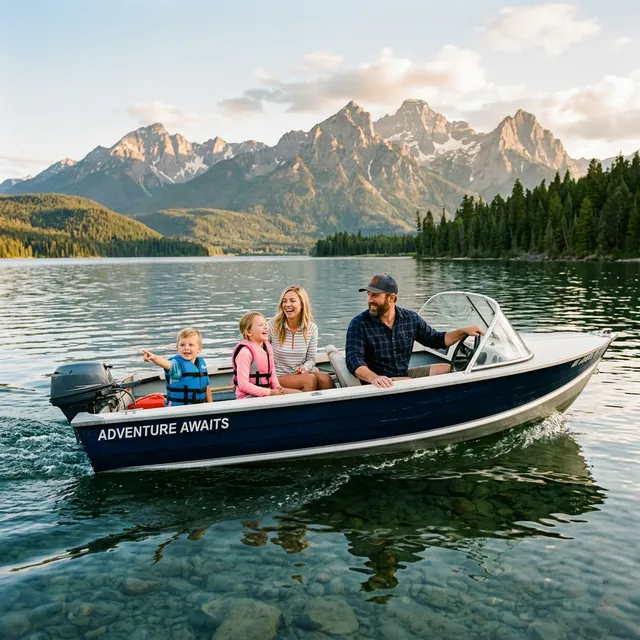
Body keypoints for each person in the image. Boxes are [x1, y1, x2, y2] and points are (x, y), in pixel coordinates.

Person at [346, 273, 484, 388]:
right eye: (369, 295)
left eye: (375, 295)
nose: (370, 300)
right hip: (376, 383)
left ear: (392, 298)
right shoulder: (358, 324)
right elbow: (354, 360)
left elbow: (436, 339)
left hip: (404, 375)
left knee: (446, 369)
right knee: (407, 382)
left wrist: (464, 331)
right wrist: (374, 378)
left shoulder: (411, 319)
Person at [268, 285, 335, 392]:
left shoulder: (311, 328)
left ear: (302, 304)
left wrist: (305, 368)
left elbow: (311, 359)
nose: (287, 305)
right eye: (284, 301)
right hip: (276, 377)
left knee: (325, 378)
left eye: (292, 301)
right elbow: (254, 348)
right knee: (309, 379)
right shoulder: (272, 326)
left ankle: (333, 408)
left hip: (299, 375)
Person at [233, 311, 302, 399]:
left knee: (300, 394)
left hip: (266, 392)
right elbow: (243, 385)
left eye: (265, 324)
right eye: (260, 325)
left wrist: (277, 387)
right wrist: (270, 392)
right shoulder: (245, 352)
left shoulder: (266, 348)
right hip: (248, 398)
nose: (265, 327)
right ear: (249, 332)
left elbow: (272, 373)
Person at [142, 327, 213, 405]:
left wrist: (211, 405)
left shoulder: (201, 364)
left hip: (199, 408)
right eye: (182, 345)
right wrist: (154, 358)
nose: (186, 348)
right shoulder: (176, 365)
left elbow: (207, 387)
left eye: (191, 345)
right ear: (177, 348)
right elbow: (166, 364)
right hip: (180, 411)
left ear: (199, 349)